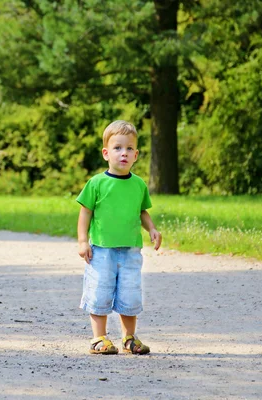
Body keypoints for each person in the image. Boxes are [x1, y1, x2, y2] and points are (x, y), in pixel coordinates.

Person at [76, 120, 162, 355]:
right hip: (102, 250)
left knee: (130, 294)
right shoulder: (97, 183)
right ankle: (99, 338)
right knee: (100, 291)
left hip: (131, 250)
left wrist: (152, 229)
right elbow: (85, 212)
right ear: (106, 153)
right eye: (117, 148)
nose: (123, 153)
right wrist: (83, 240)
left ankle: (129, 338)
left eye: (129, 148)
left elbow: (142, 212)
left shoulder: (138, 185)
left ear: (136, 154)